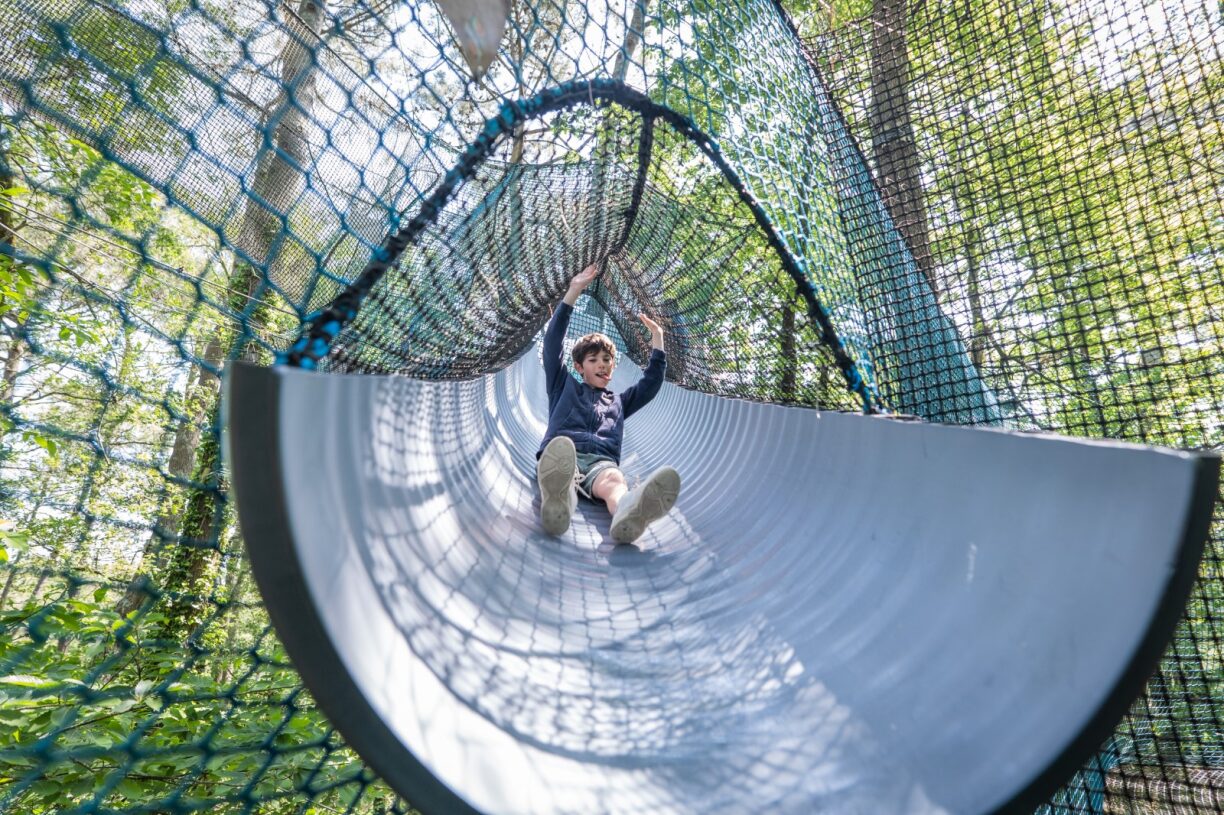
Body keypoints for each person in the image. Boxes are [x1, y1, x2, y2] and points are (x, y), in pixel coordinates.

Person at [536, 263, 681, 543]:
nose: (602, 365)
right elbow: (553, 344)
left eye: (607, 360)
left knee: (614, 481)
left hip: (600, 462)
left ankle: (627, 511)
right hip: (562, 454)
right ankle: (560, 501)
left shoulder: (619, 402)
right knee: (563, 468)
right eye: (593, 360)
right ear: (578, 366)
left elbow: (650, 385)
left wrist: (658, 341)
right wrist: (574, 291)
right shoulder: (562, 384)